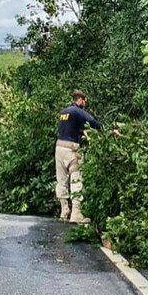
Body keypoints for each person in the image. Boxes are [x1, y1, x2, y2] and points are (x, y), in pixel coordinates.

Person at [55, 90, 101, 224]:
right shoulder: (77, 111)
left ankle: (64, 211)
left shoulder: (63, 112)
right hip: (71, 150)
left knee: (61, 180)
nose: (85, 104)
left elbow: (69, 128)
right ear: (80, 100)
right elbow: (92, 121)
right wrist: (105, 129)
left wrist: (81, 131)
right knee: (76, 179)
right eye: (84, 101)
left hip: (59, 148)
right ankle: (76, 213)